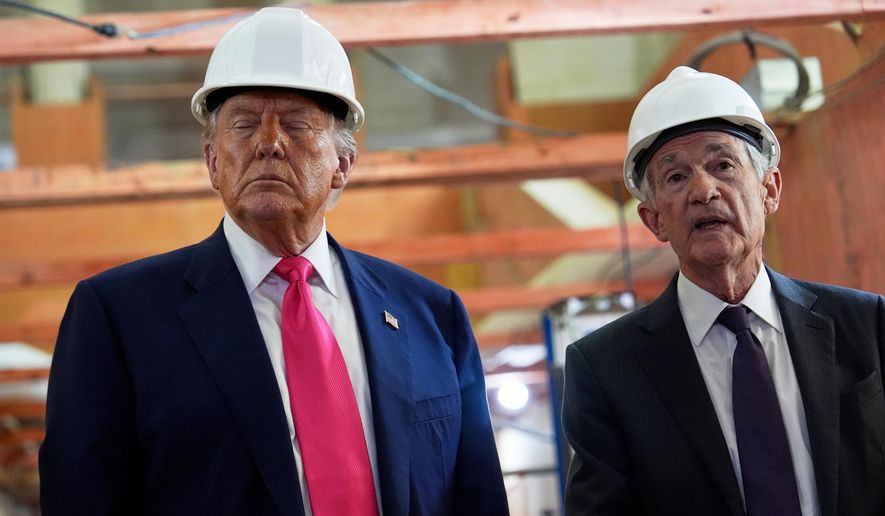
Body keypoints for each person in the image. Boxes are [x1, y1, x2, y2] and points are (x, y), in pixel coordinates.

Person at [39, 8, 509, 516]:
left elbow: (476, 497)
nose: (268, 143)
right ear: (213, 161)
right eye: (243, 126)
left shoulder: (432, 318)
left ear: (342, 165)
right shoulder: (117, 319)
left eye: (296, 124)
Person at [561, 66, 885, 515]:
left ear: (769, 190)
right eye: (675, 177)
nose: (703, 190)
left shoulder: (866, 325)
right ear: (654, 219)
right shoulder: (605, 369)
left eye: (723, 165)